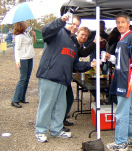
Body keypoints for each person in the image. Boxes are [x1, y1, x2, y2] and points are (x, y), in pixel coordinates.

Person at [35, 14, 93, 143]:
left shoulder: (73, 42)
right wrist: (60, 21)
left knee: (60, 106)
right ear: (67, 21)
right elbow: (45, 31)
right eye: (73, 23)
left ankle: (56, 130)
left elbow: (75, 65)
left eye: (77, 25)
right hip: (50, 76)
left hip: (63, 79)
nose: (74, 27)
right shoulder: (57, 33)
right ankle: (40, 130)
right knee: (46, 105)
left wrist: (90, 65)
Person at [105, 13, 132, 151]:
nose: (120, 24)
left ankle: (121, 143)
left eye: (122, 22)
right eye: (118, 22)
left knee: (121, 112)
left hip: (127, 81)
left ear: (129, 23)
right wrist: (111, 58)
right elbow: (122, 60)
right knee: (131, 110)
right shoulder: (123, 38)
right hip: (122, 78)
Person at [63, 26, 96, 130]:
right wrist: (90, 64)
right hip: (62, 75)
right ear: (77, 33)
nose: (84, 37)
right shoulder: (73, 44)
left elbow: (83, 53)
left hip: (67, 74)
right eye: (82, 34)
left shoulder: (78, 45)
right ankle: (59, 121)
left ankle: (62, 118)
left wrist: (94, 44)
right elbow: (76, 65)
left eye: (86, 36)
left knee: (68, 98)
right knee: (65, 99)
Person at [11, 21, 36, 108]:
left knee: (27, 79)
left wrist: (33, 36)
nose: (26, 24)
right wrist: (17, 60)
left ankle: (22, 97)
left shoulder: (26, 33)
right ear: (21, 25)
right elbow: (16, 49)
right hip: (23, 59)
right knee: (23, 79)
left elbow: (31, 44)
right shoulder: (19, 36)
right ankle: (15, 99)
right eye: (25, 23)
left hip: (29, 57)